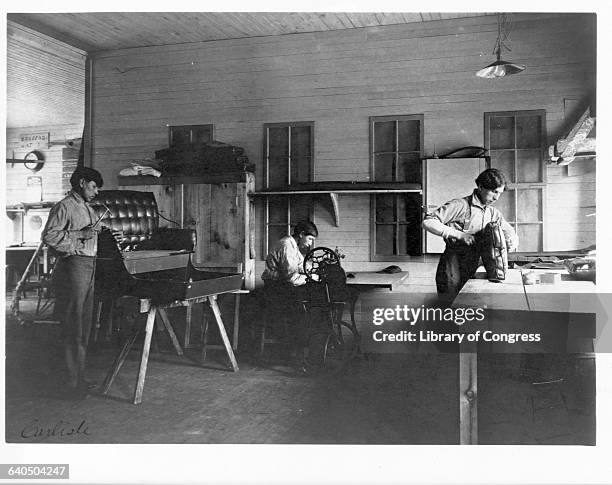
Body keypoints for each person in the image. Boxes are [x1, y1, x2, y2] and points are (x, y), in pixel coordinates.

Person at [42, 167, 104, 399]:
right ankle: (69, 383)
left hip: (88, 265)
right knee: (72, 325)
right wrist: (80, 235)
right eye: (93, 186)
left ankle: (77, 378)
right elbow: (50, 236)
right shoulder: (65, 206)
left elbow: (86, 233)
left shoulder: (85, 207)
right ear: (81, 182)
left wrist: (102, 233)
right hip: (73, 267)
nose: (96, 191)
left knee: (83, 327)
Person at [423, 168, 518, 301]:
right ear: (480, 187)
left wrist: (512, 240)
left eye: (499, 193)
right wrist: (459, 235)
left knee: (470, 304)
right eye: (493, 192)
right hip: (454, 263)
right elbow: (428, 222)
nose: (496, 197)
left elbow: (509, 231)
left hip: (476, 263)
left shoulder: (492, 212)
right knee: (450, 303)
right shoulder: (460, 205)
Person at [261, 220, 319, 291]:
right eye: (310, 239)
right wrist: (314, 277)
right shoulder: (287, 246)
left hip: (280, 284)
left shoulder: (293, 245)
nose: (310, 243)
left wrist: (315, 270)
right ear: (301, 234)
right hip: (274, 286)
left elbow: (302, 264)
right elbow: (291, 278)